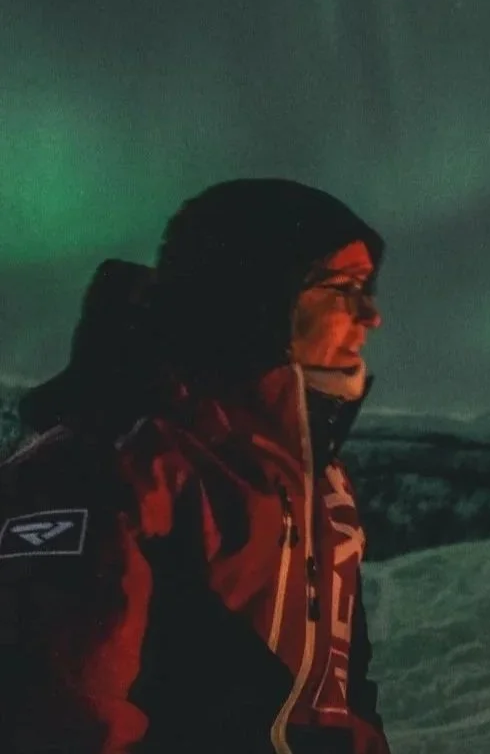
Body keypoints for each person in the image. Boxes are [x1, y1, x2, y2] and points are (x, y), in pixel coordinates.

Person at [1, 179, 393, 753]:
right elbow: (60, 718)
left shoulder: (319, 482)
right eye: (343, 288)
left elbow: (338, 702)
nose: (371, 316)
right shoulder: (107, 470)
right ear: (261, 296)